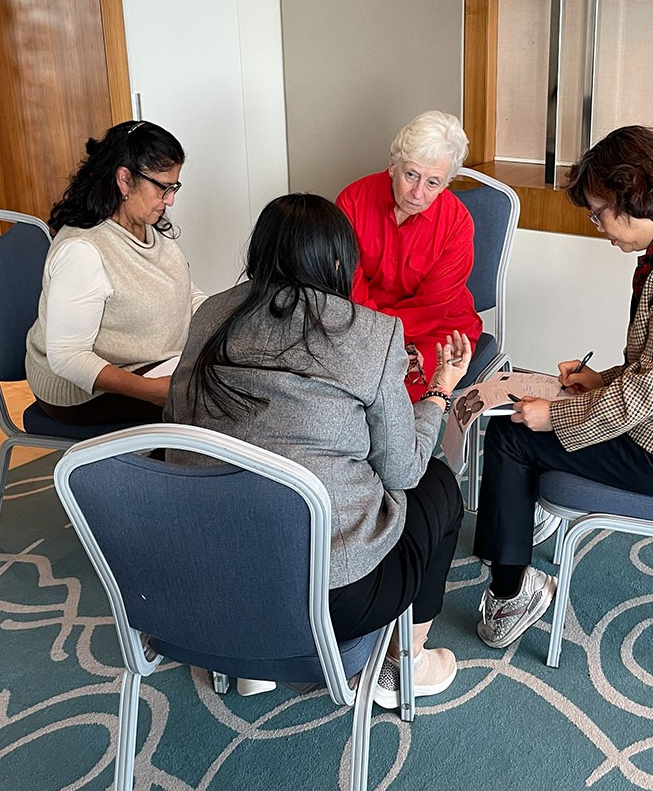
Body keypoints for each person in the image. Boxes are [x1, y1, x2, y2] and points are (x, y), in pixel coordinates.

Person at [164, 193, 471, 707]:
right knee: (436, 482)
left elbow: (176, 422)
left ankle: (251, 665)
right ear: (339, 262)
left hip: (210, 575)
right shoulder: (371, 332)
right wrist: (439, 391)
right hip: (327, 598)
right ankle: (405, 665)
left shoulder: (210, 314)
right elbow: (403, 469)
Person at [472, 125, 653, 651]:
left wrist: (555, 416)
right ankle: (518, 523)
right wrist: (600, 380)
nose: (599, 226)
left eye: (599, 212)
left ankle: (511, 595)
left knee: (513, 435)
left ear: (634, 199)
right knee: (538, 419)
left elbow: (646, 394)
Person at [25, 119, 206, 425]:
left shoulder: (147, 225)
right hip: (85, 394)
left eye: (174, 187)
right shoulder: (83, 251)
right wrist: (151, 391)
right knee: (221, 405)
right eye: (163, 188)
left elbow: (183, 292)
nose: (170, 200)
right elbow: (68, 357)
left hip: (152, 365)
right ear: (124, 179)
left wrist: (225, 322)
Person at [336, 111, 482, 399]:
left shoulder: (457, 223)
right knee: (339, 382)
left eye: (433, 183)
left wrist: (388, 345)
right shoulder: (352, 201)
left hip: (435, 327)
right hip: (361, 321)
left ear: (446, 183)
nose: (417, 193)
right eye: (411, 175)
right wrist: (376, 339)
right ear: (393, 165)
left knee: (396, 389)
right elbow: (347, 284)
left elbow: (432, 307)